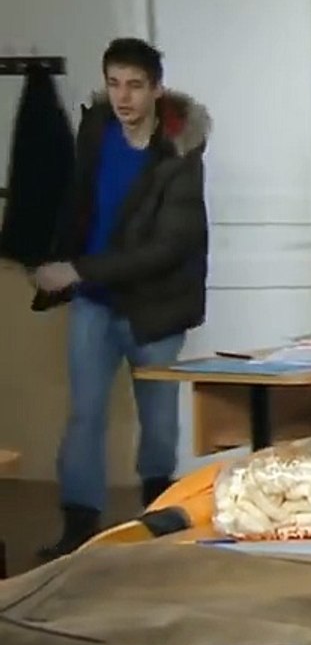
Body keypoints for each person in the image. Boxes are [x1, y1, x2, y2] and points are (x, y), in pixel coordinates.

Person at [31, 37, 211, 559]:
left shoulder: (179, 154)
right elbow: (75, 202)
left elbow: (168, 247)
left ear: (156, 89)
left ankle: (157, 522)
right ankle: (78, 526)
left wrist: (77, 269)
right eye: (114, 84)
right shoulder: (96, 131)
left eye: (135, 85)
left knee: (158, 423)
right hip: (94, 300)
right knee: (84, 414)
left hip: (156, 306)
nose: (123, 97)